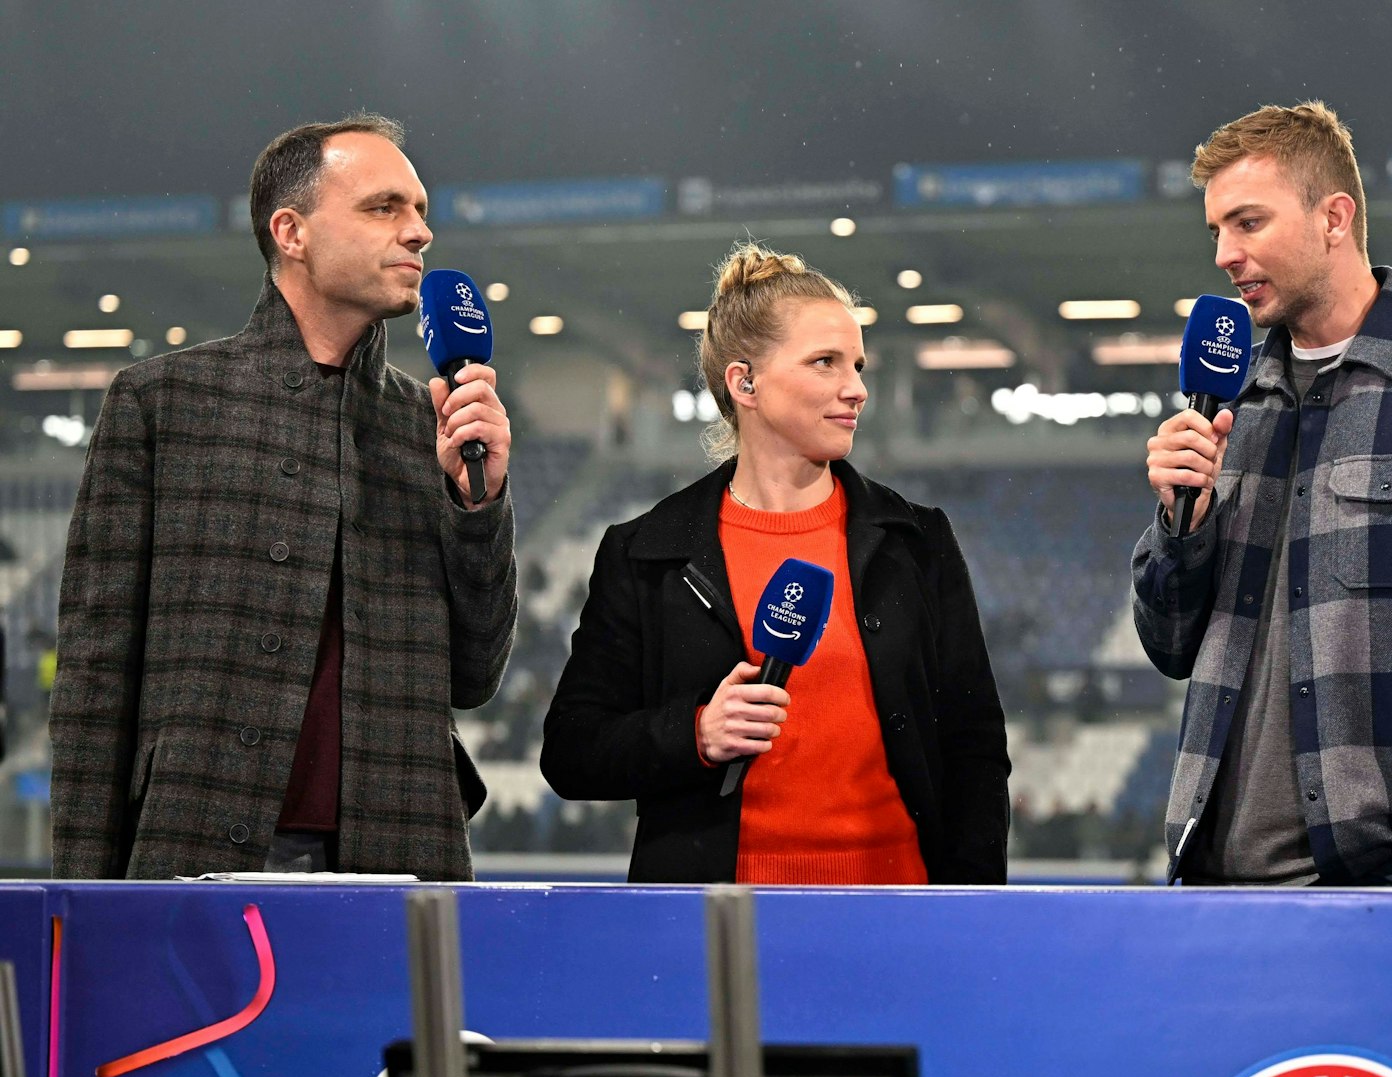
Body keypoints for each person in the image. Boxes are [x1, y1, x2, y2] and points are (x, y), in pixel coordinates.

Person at [50, 114, 517, 880]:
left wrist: (480, 504)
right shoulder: (162, 402)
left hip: (401, 851)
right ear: (291, 231)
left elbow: (475, 676)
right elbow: (95, 683)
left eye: (422, 211)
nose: (420, 233)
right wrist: (81, 894)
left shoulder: (431, 423)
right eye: (384, 207)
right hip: (193, 844)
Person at [1133, 102, 1392, 888]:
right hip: (1213, 887)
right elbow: (1170, 643)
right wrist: (1179, 520)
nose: (1225, 254)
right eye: (1216, 230)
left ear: (1334, 218)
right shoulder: (1232, 401)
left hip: (1375, 887)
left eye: (1248, 222)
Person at [541, 243, 1009, 885]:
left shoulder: (916, 540)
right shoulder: (646, 550)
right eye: (826, 363)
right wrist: (697, 733)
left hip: (899, 905)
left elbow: (975, 747)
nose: (857, 389)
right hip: (715, 917)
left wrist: (974, 908)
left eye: (858, 365)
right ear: (744, 382)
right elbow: (572, 751)